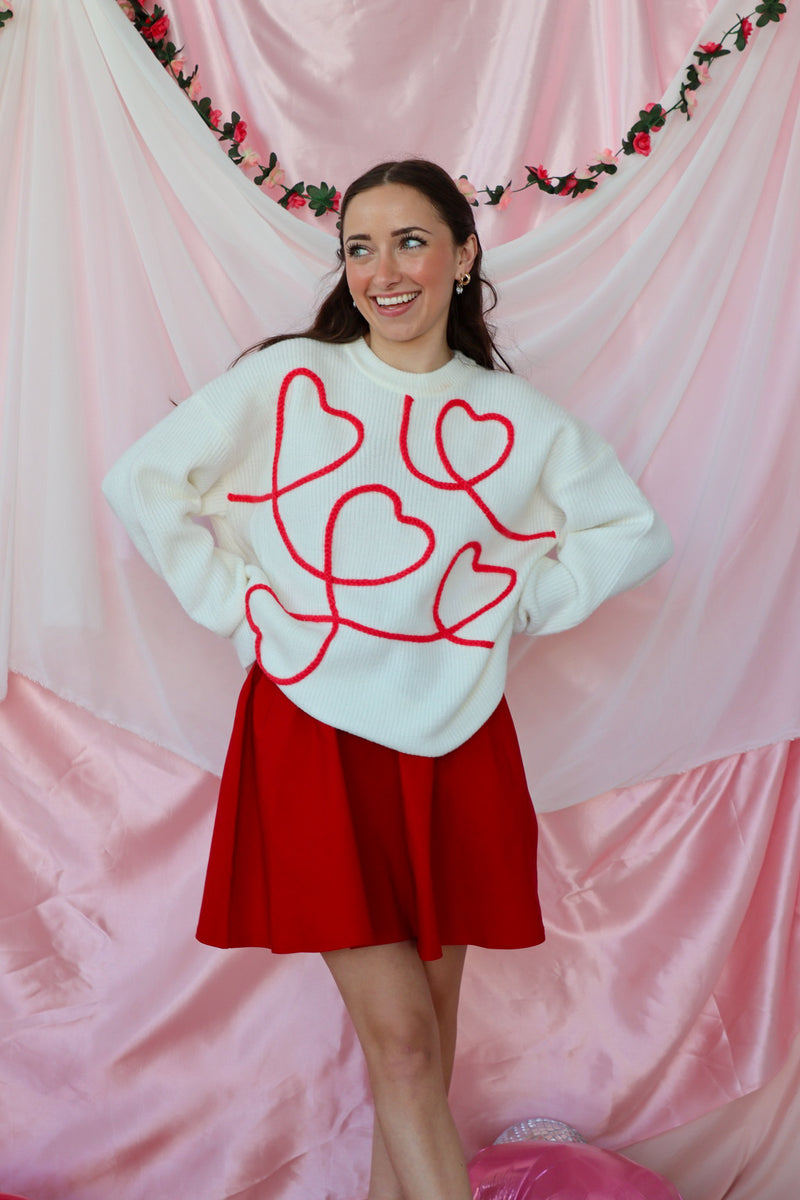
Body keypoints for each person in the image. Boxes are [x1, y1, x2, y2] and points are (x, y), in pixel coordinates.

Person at [103, 158, 672, 1200]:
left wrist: (511, 607)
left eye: (408, 241)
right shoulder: (292, 384)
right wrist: (249, 612)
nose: (382, 270)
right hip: (313, 733)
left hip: (456, 742)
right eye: (357, 247)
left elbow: (629, 530)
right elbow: (143, 483)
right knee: (405, 1043)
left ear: (461, 257)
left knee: (422, 1048)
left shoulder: (516, 419)